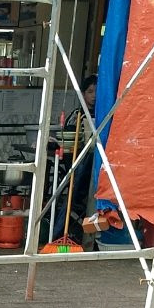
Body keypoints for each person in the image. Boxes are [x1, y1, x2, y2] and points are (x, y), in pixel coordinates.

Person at [56, 74, 97, 245]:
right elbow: (68, 140)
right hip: (78, 162)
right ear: (83, 94)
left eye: (97, 92)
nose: (94, 96)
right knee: (75, 190)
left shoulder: (104, 113)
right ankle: (59, 232)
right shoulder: (77, 115)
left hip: (95, 163)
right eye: (90, 92)